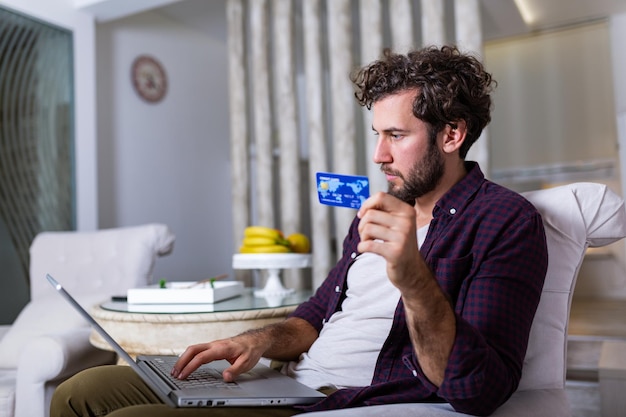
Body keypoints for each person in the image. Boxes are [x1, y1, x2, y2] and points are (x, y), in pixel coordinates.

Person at [51, 45, 548, 417]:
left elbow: (477, 389)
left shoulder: (504, 221)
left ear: (452, 134)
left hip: (343, 398)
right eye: (378, 134)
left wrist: (413, 277)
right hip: (285, 379)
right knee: (79, 391)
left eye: (396, 135)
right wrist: (257, 340)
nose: (379, 155)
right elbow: (316, 315)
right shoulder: (378, 209)